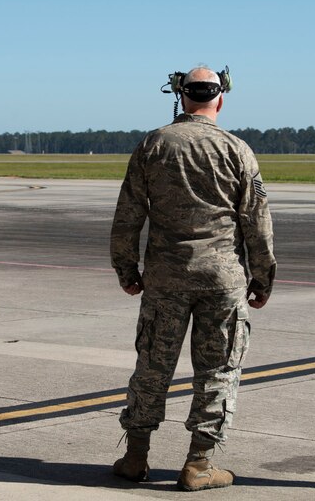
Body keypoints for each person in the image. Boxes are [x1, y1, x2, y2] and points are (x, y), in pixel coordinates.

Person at [110, 66, 276, 491]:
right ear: (220, 98)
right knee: (218, 371)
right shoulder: (237, 150)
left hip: (166, 278)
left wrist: (126, 269)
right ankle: (198, 463)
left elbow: (129, 214)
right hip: (222, 280)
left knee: (152, 366)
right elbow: (256, 220)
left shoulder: (154, 145)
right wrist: (262, 277)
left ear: (181, 96)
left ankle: (136, 456)